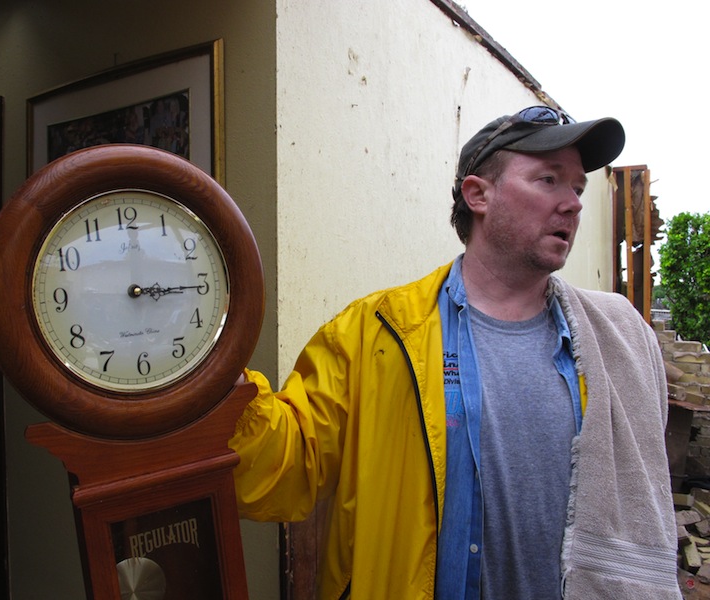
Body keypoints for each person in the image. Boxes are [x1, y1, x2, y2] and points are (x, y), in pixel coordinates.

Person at [229, 106, 680, 599]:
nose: (571, 203)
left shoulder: (614, 341)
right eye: (548, 179)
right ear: (478, 194)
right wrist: (216, 380)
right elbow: (284, 470)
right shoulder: (374, 333)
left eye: (577, 187)